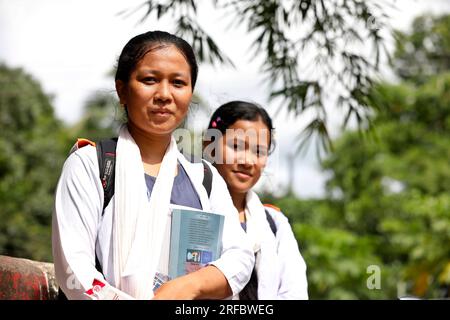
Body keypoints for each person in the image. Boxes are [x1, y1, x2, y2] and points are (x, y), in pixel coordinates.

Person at [52, 31, 254, 300]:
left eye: (178, 83)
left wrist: (190, 286)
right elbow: (74, 272)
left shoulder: (204, 178)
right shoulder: (91, 166)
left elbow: (239, 256)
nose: (164, 94)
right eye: (149, 80)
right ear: (122, 89)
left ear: (190, 92)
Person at [203, 101, 308, 299]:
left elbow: (294, 292)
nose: (248, 161)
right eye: (236, 146)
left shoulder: (275, 223)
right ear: (210, 146)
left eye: (259, 152)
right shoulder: (190, 208)